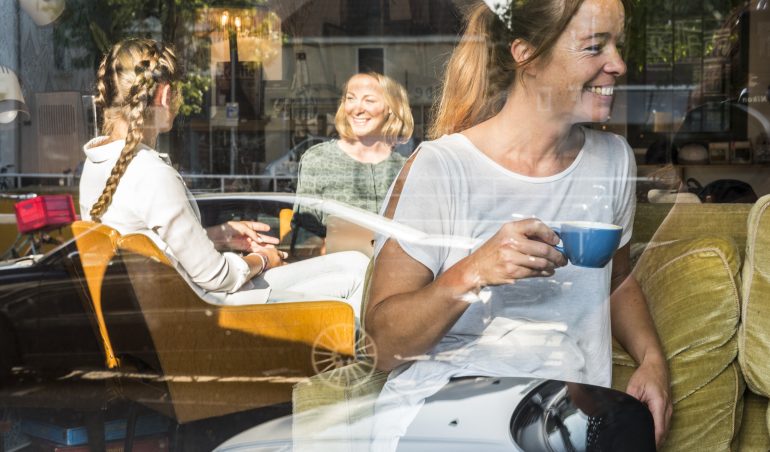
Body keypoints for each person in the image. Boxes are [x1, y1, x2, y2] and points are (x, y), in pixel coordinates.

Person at [364, 0, 672, 449]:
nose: (619, 64)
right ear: (526, 53)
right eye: (594, 47)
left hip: (561, 416)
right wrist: (473, 272)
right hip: (443, 409)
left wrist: (652, 361)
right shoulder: (441, 167)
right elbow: (382, 346)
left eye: (617, 44)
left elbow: (617, 279)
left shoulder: (612, 161)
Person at [79, 38, 368, 317]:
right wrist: (265, 259)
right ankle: (353, 365)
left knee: (355, 263)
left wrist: (218, 235)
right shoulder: (150, 173)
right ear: (165, 95)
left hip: (178, 306)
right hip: (218, 314)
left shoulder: (97, 164)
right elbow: (217, 277)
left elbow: (158, 248)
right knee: (356, 276)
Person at [292, 72, 413, 244]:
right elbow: (303, 237)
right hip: (337, 269)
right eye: (350, 98)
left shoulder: (406, 166)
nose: (357, 109)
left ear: (391, 108)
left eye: (369, 100)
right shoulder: (319, 159)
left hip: (393, 269)